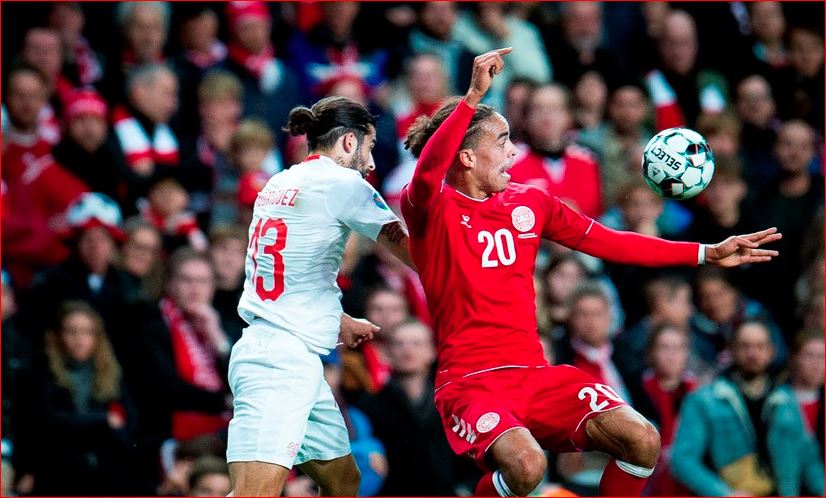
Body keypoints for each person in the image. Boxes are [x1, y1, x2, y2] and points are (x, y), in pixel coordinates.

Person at [401, 48, 782, 497]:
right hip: (471, 384)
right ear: (466, 157)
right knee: (527, 466)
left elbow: (610, 241)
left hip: (534, 374)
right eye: (501, 142)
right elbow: (427, 172)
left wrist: (705, 253)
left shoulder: (531, 201)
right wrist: (471, 98)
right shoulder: (432, 207)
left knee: (641, 440)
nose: (513, 151)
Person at [226, 95, 413, 496]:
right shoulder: (343, 183)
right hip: (279, 364)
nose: (372, 163)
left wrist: (336, 319)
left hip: (288, 354)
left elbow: (281, 272)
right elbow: (413, 253)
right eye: (369, 147)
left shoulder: (278, 183)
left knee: (343, 482)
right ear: (349, 141)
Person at [671, 320, 824, 496]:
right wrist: (724, 494)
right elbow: (682, 460)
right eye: (745, 346)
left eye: (760, 346)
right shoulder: (705, 400)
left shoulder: (785, 400)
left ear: (771, 351)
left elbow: (808, 457)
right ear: (732, 349)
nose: (753, 353)